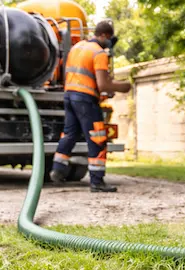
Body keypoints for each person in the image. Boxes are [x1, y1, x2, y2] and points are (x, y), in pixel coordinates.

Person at [50, 21, 132, 192]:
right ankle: (97, 182)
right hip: (85, 100)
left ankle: (58, 169)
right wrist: (123, 87)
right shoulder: (99, 53)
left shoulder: (77, 47)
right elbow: (103, 84)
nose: (109, 43)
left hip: (69, 96)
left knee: (70, 134)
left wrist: (102, 89)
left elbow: (83, 76)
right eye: (109, 39)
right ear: (104, 35)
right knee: (97, 138)